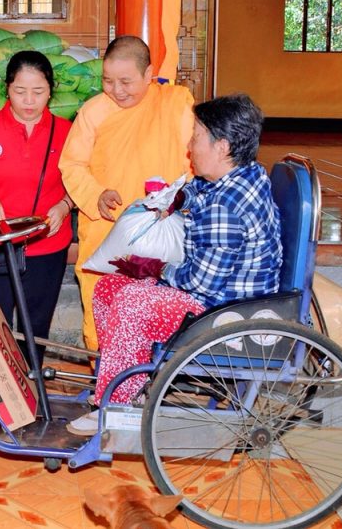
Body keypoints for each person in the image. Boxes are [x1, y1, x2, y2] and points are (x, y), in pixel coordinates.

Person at [68, 94, 283, 435]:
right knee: (109, 285)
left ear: (222, 146)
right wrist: (175, 198)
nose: (189, 145)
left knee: (132, 302)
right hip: (221, 295)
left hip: (223, 313)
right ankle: (130, 384)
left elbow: (201, 283)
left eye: (196, 137)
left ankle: (116, 404)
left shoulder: (225, 207)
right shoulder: (242, 175)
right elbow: (197, 190)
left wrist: (157, 269)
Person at [59, 35, 195, 350]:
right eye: (108, 81)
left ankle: (150, 389)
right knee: (103, 318)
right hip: (108, 234)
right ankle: (106, 391)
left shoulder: (175, 104)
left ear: (149, 75)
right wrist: (95, 195)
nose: (116, 90)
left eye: (126, 82)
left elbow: (196, 161)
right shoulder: (93, 111)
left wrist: (179, 198)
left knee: (156, 319)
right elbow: (72, 165)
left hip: (162, 232)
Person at [0, 51, 73, 363]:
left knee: (35, 329)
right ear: (6, 88)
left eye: (38, 92)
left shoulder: (67, 132)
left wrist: (64, 206)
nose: (28, 101)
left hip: (48, 244)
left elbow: (79, 185)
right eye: (19, 91)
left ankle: (31, 394)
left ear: (51, 90)